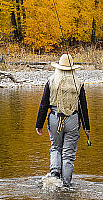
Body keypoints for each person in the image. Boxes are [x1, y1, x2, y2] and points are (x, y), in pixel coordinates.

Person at [35, 54, 90, 187]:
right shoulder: (78, 83)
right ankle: (66, 184)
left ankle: (54, 176)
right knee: (68, 154)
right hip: (73, 120)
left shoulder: (51, 81)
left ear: (58, 68)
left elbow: (44, 104)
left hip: (55, 118)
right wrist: (86, 127)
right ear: (73, 69)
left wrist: (39, 124)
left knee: (55, 148)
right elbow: (83, 107)